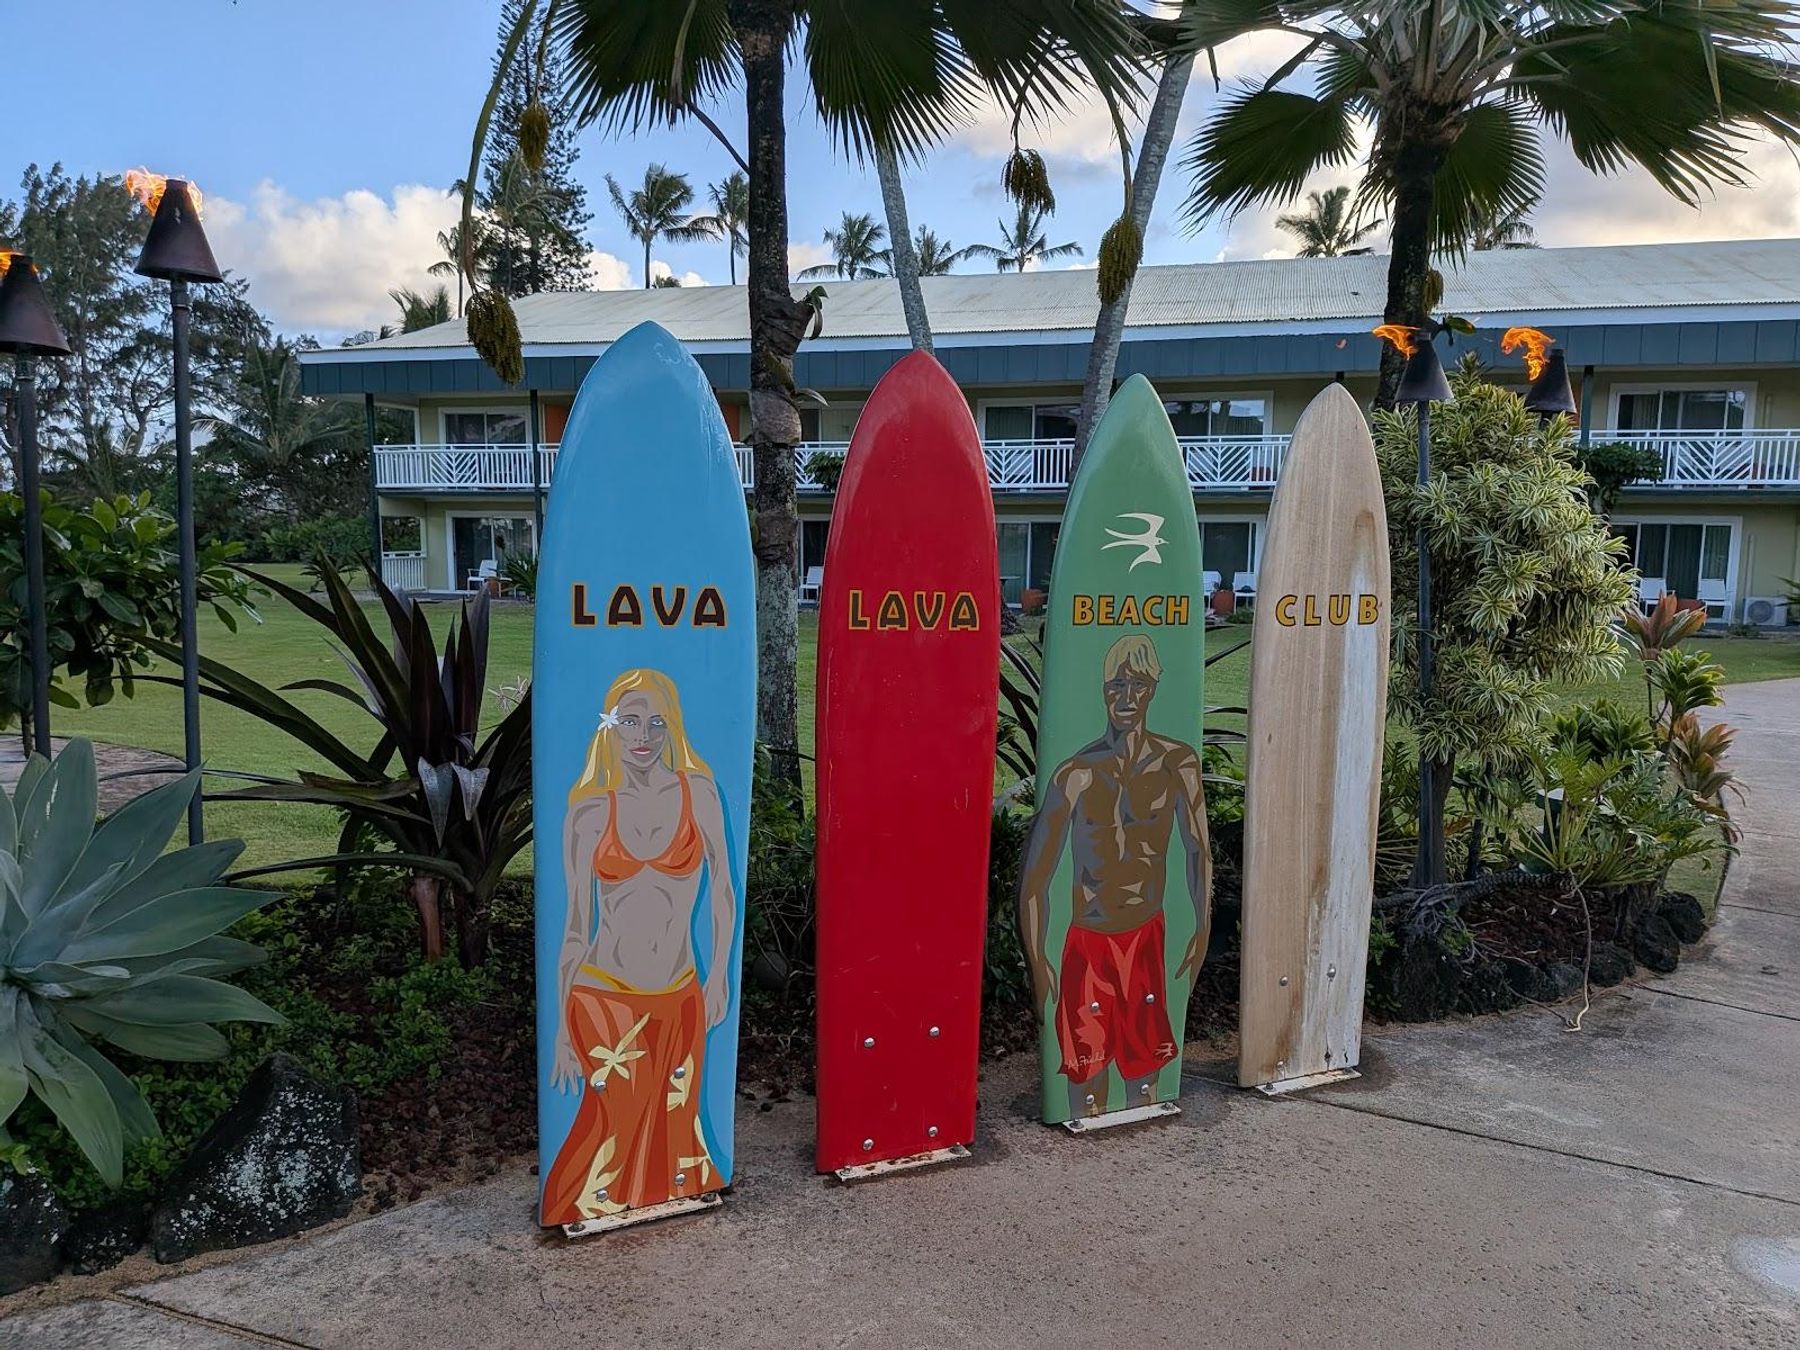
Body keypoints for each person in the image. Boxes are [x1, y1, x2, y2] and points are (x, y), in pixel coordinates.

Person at [540, 668, 736, 1226]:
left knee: (676, 1127)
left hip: (680, 996)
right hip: (604, 999)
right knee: (612, 1127)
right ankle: (574, 1212)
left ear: (671, 726)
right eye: (629, 721)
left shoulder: (698, 793)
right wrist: (559, 1032)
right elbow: (576, 925)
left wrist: (718, 973)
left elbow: (722, 890)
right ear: (610, 728)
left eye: (655, 721)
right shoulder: (588, 811)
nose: (643, 735)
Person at [1017, 633, 1210, 1120]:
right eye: (1117, 685)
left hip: (1146, 937)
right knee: (1086, 1082)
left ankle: (1142, 1172)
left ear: (1153, 690)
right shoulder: (1075, 775)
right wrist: (1038, 960)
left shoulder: (1176, 764)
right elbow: (1035, 879)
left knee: (1145, 1085)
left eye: (1138, 685)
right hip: (1088, 943)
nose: (1126, 697)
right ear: (1104, 690)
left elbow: (1198, 851)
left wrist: (1202, 929)